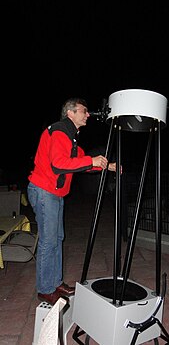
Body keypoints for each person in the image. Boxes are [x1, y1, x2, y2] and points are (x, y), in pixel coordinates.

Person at [27, 97, 116, 305]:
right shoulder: (59, 131)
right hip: (44, 190)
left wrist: (106, 166)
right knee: (49, 242)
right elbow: (59, 164)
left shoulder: (70, 137)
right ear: (71, 113)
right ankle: (45, 289)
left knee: (57, 238)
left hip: (54, 193)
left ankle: (55, 283)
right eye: (84, 111)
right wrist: (91, 161)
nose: (88, 115)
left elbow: (80, 164)